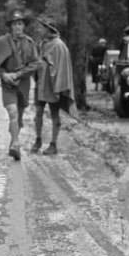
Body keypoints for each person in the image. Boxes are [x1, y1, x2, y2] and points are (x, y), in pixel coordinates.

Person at [0, 9, 39, 160]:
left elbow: (36, 63)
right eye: (15, 24)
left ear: (24, 26)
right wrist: (4, 75)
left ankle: (13, 142)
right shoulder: (1, 42)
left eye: (20, 24)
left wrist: (19, 74)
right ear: (10, 26)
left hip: (23, 84)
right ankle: (16, 143)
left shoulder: (30, 43)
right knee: (12, 112)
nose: (18, 27)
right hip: (7, 84)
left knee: (18, 118)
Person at [32, 16, 75, 156]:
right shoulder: (41, 44)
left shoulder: (59, 45)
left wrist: (57, 83)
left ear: (49, 29)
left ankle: (53, 144)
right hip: (40, 84)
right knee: (38, 112)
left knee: (54, 113)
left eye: (42, 27)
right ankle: (38, 139)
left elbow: (61, 68)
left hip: (52, 85)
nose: (39, 30)